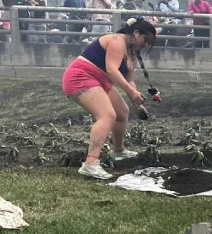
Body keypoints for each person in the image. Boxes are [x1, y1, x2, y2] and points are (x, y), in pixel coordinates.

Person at [61, 18, 156, 180]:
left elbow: (128, 79)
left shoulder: (132, 54)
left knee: (121, 112)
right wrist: (131, 93)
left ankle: (119, 151)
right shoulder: (117, 40)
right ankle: (90, 164)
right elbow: (112, 70)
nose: (145, 44)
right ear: (135, 33)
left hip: (99, 80)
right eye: (145, 40)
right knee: (107, 115)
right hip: (80, 76)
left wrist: (136, 102)